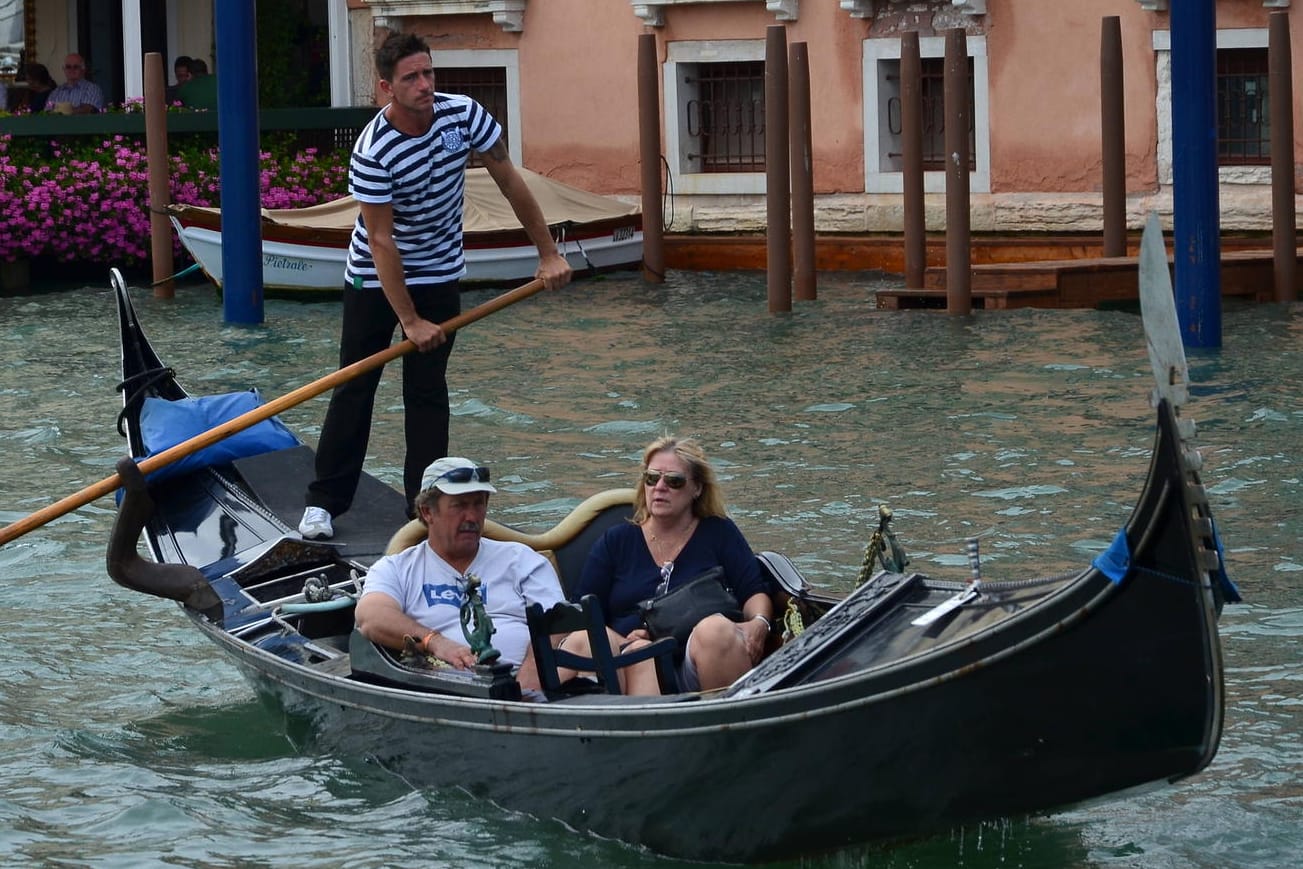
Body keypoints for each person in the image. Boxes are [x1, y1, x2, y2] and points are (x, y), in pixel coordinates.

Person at [297, 31, 572, 541]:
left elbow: (511, 181)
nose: (425, 85)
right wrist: (409, 320)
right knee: (355, 387)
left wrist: (548, 253)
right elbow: (381, 240)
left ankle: (421, 508)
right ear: (386, 87)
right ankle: (324, 503)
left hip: (440, 273)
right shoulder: (373, 149)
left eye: (429, 73)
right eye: (411, 78)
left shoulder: (463, 115)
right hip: (375, 278)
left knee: (427, 393)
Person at [572, 437, 773, 692]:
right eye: (652, 478)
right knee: (610, 645)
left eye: (674, 481)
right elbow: (583, 610)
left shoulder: (719, 532)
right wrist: (627, 642)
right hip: (629, 659)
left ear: (697, 488)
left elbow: (754, 590)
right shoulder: (617, 541)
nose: (660, 487)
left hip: (695, 661)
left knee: (716, 629)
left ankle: (723, 722)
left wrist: (759, 623)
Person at [353, 456, 566, 693]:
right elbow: (370, 617)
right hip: (445, 690)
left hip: (533, 687)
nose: (473, 517)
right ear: (427, 512)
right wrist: (434, 642)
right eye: (460, 506)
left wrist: (531, 678)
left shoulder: (522, 560)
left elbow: (558, 622)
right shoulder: (396, 568)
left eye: (479, 504)